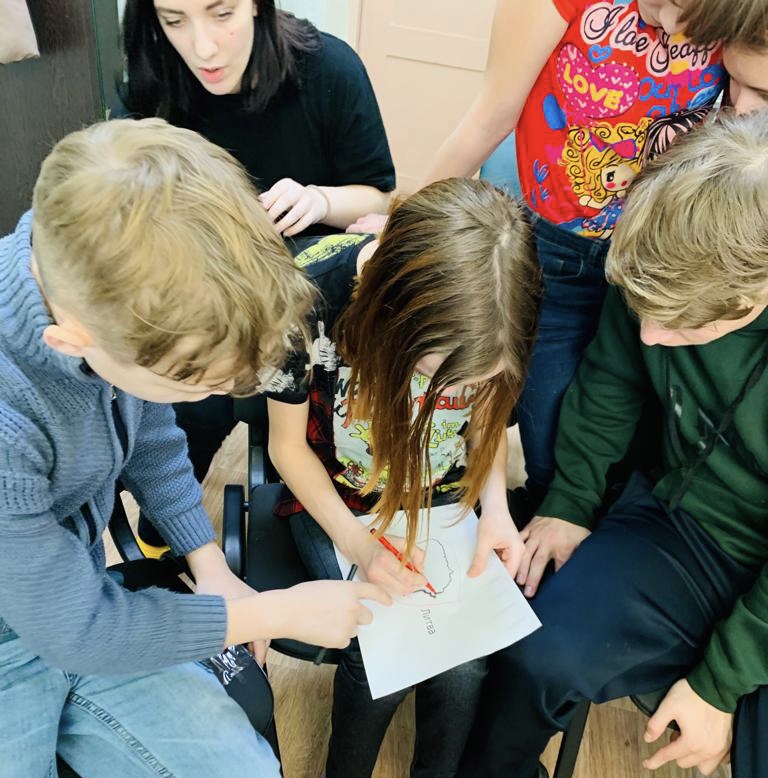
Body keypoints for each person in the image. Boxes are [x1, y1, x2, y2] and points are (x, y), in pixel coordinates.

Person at [0, 117, 390, 778]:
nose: (207, 398)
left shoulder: (103, 279)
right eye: (191, 384)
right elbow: (78, 630)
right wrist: (271, 612)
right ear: (72, 341)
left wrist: (210, 567)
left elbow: (148, 429)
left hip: (83, 598)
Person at [351, 0, 768, 517]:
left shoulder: (742, 27)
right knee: (549, 436)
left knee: (641, 439)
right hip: (557, 250)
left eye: (691, 12)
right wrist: (402, 233)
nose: (668, 25)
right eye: (662, 3)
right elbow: (488, 117)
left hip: (657, 253)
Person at [457, 108, 768, 778]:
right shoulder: (660, 262)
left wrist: (719, 685)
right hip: (678, 525)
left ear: (751, 298)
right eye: (642, 314)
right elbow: (610, 382)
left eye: (678, 326)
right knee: (537, 654)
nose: (651, 338)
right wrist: (570, 501)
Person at [265, 178, 541, 778]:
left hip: (444, 500)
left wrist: (496, 508)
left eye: (471, 382)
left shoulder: (497, 313)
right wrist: (361, 545)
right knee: (380, 652)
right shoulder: (306, 301)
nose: (456, 393)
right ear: (394, 311)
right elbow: (286, 448)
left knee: (467, 660)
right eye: (433, 371)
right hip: (338, 499)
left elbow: (486, 424)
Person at [119, 0, 396, 551]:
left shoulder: (329, 70)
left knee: (315, 439)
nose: (202, 47)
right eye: (174, 21)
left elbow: (377, 196)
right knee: (187, 423)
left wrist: (319, 201)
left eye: (221, 13)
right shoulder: (153, 84)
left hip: (316, 310)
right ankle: (163, 537)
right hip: (203, 306)